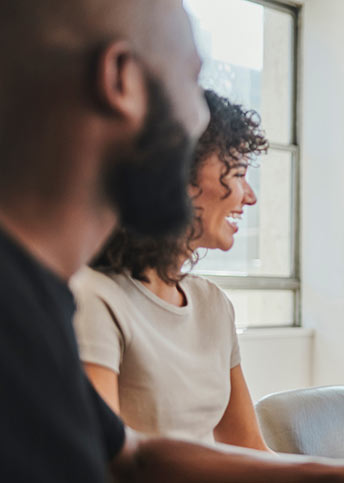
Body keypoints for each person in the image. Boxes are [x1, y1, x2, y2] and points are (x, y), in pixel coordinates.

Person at [0, 1, 344, 481]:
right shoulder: (46, 306)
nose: (201, 118)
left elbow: (133, 454)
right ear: (124, 81)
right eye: (191, 79)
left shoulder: (39, 299)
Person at [71, 89, 268, 450]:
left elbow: (250, 448)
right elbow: (111, 462)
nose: (250, 195)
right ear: (182, 175)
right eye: (238, 172)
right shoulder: (94, 297)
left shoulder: (213, 304)